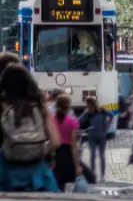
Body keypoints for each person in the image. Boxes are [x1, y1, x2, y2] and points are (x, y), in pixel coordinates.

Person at [0, 63, 61, 192]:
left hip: (6, 172)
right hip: (38, 174)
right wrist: (39, 149)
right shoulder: (39, 106)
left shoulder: (2, 106)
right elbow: (56, 141)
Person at [78, 96, 112, 182]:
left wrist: (108, 125)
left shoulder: (102, 111)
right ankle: (92, 174)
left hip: (102, 137)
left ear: (91, 103)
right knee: (93, 155)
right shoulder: (88, 113)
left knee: (102, 156)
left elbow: (111, 115)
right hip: (92, 137)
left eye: (88, 104)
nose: (87, 105)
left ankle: (102, 176)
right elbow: (79, 121)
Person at [53, 94, 81, 191]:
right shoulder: (72, 121)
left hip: (54, 152)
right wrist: (77, 165)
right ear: (68, 106)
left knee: (56, 179)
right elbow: (73, 145)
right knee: (65, 180)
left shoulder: (51, 120)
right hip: (67, 153)